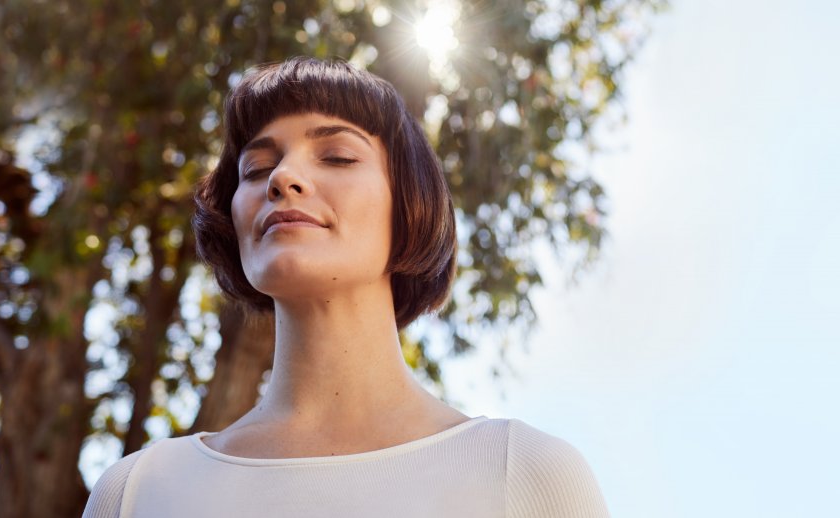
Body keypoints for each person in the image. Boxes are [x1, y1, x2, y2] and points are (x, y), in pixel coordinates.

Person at [82, 57, 609, 517]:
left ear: (408, 205)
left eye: (337, 156)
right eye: (256, 167)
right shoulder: (136, 493)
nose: (282, 178)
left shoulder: (525, 475)